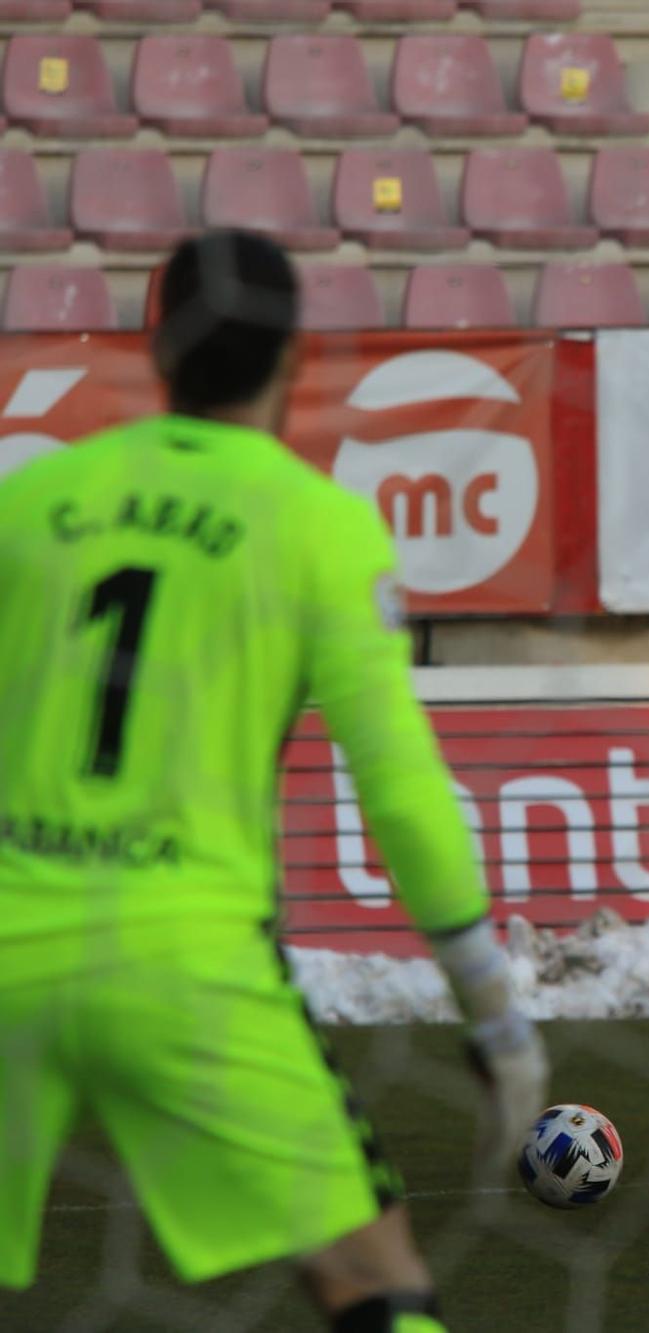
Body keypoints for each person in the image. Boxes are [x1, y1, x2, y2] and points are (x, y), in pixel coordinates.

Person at [0, 232, 547, 1331]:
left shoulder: (31, 502)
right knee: (374, 1286)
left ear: (155, 346)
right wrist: (493, 1012)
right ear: (296, 358)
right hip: (188, 958)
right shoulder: (319, 526)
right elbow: (398, 786)